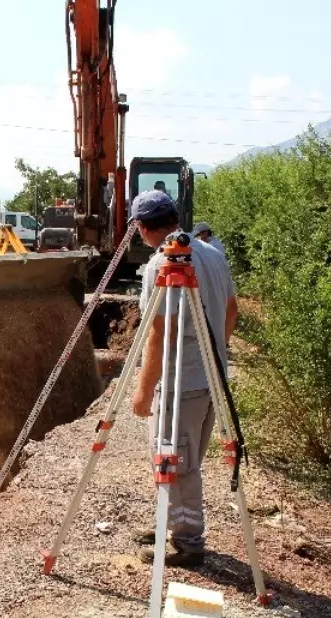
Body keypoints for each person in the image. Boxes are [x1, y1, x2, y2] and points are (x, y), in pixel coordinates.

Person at [129, 191, 238, 568]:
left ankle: (187, 543)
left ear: (143, 228)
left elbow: (160, 332)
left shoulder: (162, 264)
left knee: (175, 462)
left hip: (183, 385)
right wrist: (214, 353)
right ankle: (170, 524)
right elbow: (231, 310)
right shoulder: (212, 254)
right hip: (213, 380)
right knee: (182, 460)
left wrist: (143, 391)